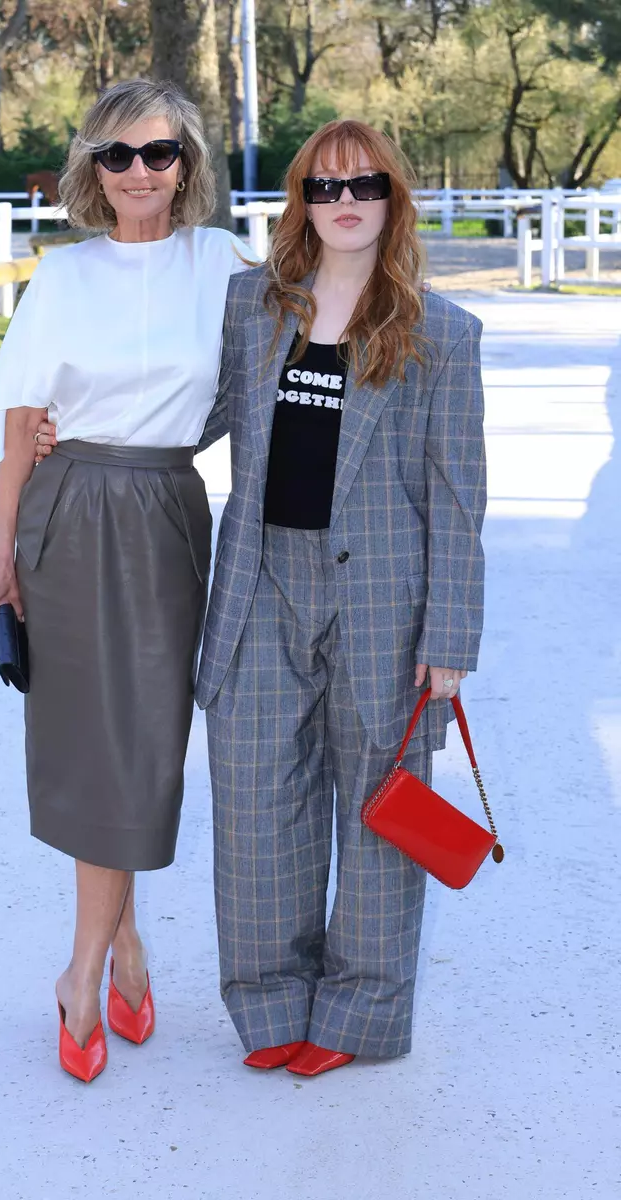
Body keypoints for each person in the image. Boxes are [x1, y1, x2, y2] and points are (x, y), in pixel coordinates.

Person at [194, 119, 487, 1077]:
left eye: (363, 184)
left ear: (392, 197)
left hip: (385, 604)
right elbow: (192, 412)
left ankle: (358, 1013)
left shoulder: (440, 331)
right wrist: (70, 432)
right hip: (261, 584)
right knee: (253, 805)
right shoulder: (253, 306)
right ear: (302, 203)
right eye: (323, 188)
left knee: (379, 815)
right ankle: (271, 999)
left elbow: (457, 493)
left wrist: (449, 635)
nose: (344, 201)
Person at [0, 78, 248, 1084]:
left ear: (188, 163)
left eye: (158, 153)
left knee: (145, 747)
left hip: (166, 509)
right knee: (97, 745)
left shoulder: (223, 265)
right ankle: (92, 963)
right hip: (66, 507)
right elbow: (16, 424)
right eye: (116, 156)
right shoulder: (63, 277)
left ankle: (118, 947)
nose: (139, 172)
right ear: (93, 169)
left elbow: (279, 367)